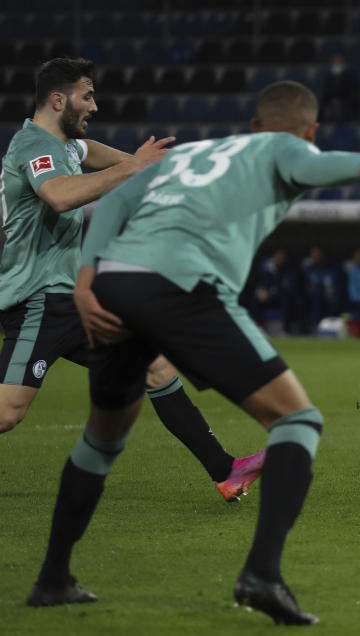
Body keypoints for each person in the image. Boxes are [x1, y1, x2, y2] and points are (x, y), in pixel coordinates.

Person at [25, 81, 360, 622]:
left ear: (255, 123)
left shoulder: (192, 151)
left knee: (102, 440)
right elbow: (313, 163)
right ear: (307, 131)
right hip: (182, 288)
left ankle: (52, 579)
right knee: (298, 421)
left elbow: (118, 198)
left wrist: (86, 278)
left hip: (114, 285)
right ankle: (261, 575)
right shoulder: (285, 147)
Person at [0, 57, 263, 502]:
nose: (95, 106)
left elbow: (104, 156)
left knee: (155, 367)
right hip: (37, 302)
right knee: (7, 414)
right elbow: (60, 196)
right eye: (87, 96)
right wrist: (131, 168)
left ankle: (226, 471)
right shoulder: (33, 146)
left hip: (67, 300)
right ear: (57, 99)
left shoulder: (65, 146)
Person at [253, 247, 300, 335]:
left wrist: (274, 292)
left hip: (282, 297)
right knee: (256, 300)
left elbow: (291, 289)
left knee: (288, 300)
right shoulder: (269, 271)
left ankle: (285, 329)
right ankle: (260, 327)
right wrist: (261, 293)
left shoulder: (289, 271)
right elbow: (263, 286)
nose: (279, 259)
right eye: (277, 257)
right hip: (270, 297)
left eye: (281, 258)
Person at [320, 53, 360, 123]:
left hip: (347, 105)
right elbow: (326, 94)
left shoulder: (350, 77)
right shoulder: (328, 78)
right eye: (335, 62)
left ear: (343, 64)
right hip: (332, 105)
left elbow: (353, 94)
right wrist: (326, 107)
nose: (337, 64)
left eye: (339, 62)